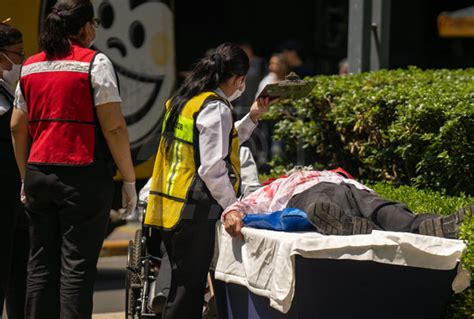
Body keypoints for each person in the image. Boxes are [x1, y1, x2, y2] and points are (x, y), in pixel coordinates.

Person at [10, 0, 137, 318]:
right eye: (93, 22)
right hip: (83, 175)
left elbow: (16, 126)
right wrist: (130, 180)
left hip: (39, 172)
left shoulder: (31, 66)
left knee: (40, 265)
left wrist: (25, 176)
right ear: (84, 27)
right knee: (76, 268)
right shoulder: (96, 63)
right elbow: (115, 127)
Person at [144, 42, 271, 318]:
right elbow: (212, 166)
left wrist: (252, 118)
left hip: (169, 209)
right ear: (238, 79)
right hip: (192, 212)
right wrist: (231, 205)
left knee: (181, 289)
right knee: (187, 296)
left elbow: (215, 142)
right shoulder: (216, 108)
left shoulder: (187, 101)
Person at [222, 169, 468, 239]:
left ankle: (436, 225)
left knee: (388, 211)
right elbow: (245, 204)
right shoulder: (280, 184)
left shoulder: (335, 173)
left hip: (352, 188)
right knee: (320, 202)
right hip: (308, 192)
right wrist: (232, 213)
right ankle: (339, 220)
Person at [0, 21, 28, 319]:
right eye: (17, 54)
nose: (21, 61)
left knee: (17, 270)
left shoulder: (8, 89)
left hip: (13, 197)